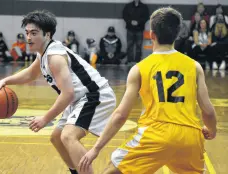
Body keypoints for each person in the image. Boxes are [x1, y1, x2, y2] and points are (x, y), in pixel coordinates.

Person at [78, 7, 217, 174]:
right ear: (178, 34)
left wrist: (96, 148)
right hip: (189, 136)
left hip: (155, 134)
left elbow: (120, 115)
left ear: (152, 35)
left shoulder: (139, 68)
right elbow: (208, 111)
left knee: (111, 171)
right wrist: (212, 130)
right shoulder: (194, 67)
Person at [0, 10, 116, 174]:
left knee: (68, 136)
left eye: (34, 33)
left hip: (94, 95)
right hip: (79, 98)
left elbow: (67, 93)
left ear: (47, 34)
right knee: (57, 138)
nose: (28, 38)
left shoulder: (55, 56)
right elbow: (31, 74)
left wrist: (45, 119)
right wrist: (5, 80)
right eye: (27, 33)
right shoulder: (44, 53)